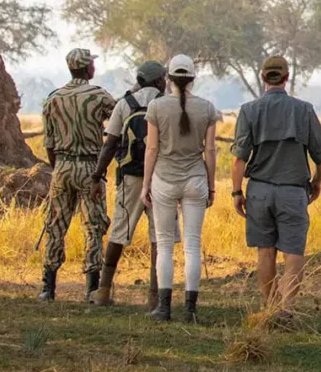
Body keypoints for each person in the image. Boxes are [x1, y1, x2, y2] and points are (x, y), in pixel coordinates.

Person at [231, 55, 321, 316]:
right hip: (293, 191)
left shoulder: (249, 110)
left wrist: (236, 192)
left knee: (265, 251)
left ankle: (270, 307)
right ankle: (286, 309)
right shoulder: (304, 110)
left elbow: (238, 160)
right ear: (287, 78)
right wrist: (316, 183)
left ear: (262, 77)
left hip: (260, 191)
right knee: (293, 251)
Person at [141, 54, 221, 322]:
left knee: (164, 244)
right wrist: (211, 185)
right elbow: (210, 150)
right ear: (193, 79)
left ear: (169, 78)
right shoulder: (207, 108)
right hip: (195, 179)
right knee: (192, 245)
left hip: (163, 178)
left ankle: (164, 308)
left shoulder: (156, 107)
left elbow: (151, 148)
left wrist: (145, 185)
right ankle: (190, 309)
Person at [38, 48, 115, 302]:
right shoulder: (99, 96)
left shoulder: (53, 99)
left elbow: (48, 143)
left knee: (56, 225)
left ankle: (48, 287)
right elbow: (117, 125)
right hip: (90, 168)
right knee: (93, 226)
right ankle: (92, 287)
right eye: (92, 63)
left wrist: (58, 166)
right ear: (87, 68)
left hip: (61, 167)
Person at [90, 60, 166, 307]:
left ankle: (103, 290)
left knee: (119, 232)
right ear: (158, 81)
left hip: (130, 177)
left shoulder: (125, 104)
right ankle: (155, 295)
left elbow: (110, 144)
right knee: (159, 237)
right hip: (161, 178)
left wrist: (97, 175)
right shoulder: (167, 104)